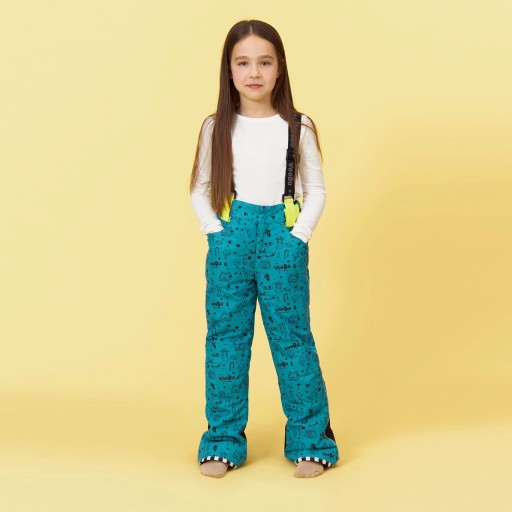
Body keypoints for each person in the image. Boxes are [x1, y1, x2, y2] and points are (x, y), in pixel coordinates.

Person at [189, 19, 340, 478]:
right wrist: (215, 231)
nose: (253, 72)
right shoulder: (216, 126)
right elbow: (200, 187)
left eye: (264, 62)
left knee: (292, 339)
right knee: (225, 341)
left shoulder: (298, 126)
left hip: (282, 237)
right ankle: (222, 440)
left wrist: (299, 236)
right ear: (229, 70)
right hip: (230, 237)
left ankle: (311, 440)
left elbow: (316, 189)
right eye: (243, 63)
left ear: (279, 68)